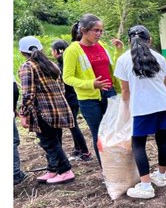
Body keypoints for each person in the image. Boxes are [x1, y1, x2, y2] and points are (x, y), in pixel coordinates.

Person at [113, 25, 166, 200]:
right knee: (162, 139)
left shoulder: (124, 60)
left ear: (128, 41)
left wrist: (124, 111)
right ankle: (161, 176)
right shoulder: (159, 57)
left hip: (142, 108)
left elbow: (125, 91)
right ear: (150, 40)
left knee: (138, 144)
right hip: (163, 105)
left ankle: (146, 186)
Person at [61, 13, 121, 163]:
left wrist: (118, 51)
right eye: (96, 30)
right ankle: (107, 170)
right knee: (99, 134)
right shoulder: (73, 50)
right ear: (83, 30)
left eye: (101, 30)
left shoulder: (102, 46)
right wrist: (91, 84)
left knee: (114, 131)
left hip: (109, 93)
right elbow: (67, 77)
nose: (99, 34)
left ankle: (118, 166)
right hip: (89, 100)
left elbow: (111, 68)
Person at [17, 37, 75, 185]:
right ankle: (53, 169)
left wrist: (23, 114)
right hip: (59, 109)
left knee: (49, 142)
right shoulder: (51, 64)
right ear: (41, 48)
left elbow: (28, 94)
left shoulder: (27, 67)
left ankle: (65, 171)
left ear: (22, 52)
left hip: (43, 112)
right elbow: (61, 88)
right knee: (55, 140)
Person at [48, 40, 91, 163]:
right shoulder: (70, 62)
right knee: (73, 125)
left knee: (73, 126)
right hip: (75, 97)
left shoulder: (57, 67)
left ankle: (85, 152)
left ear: (56, 52)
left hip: (66, 100)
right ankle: (78, 149)